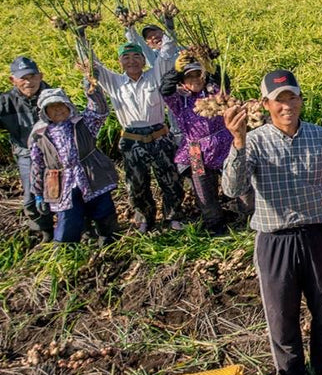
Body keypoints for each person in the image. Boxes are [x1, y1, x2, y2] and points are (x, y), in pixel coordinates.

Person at [221, 69, 322, 375]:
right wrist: (237, 142)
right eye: (279, 100)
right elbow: (232, 189)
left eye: (292, 97)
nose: (286, 106)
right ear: (266, 104)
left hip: (318, 235)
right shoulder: (253, 141)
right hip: (275, 240)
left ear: (301, 100)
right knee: (281, 314)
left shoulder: (318, 136)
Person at [80, 28, 185, 233]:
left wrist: (169, 26)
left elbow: (166, 53)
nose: (131, 61)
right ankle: (145, 217)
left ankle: (173, 217)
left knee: (170, 180)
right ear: (120, 62)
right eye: (126, 57)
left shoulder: (154, 76)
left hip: (159, 136)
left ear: (144, 60)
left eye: (136, 56)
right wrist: (81, 38)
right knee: (136, 184)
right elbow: (93, 66)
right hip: (132, 140)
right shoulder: (115, 83)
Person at [159, 53, 240, 234]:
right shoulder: (180, 100)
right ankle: (215, 224)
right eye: (189, 76)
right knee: (203, 190)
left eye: (198, 75)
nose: (195, 79)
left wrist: (213, 69)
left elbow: (224, 83)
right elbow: (165, 89)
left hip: (225, 143)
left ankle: (244, 215)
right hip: (195, 150)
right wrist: (175, 71)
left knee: (237, 178)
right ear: (183, 81)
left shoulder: (214, 93)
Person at [28, 87, 119, 246]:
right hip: (62, 182)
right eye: (52, 107)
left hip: (91, 174)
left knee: (103, 209)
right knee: (68, 216)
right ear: (45, 112)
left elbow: (100, 112)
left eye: (60, 105)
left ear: (68, 106)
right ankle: (65, 249)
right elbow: (37, 165)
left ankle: (109, 242)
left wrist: (93, 92)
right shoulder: (39, 134)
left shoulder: (82, 123)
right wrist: (38, 193)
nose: (57, 109)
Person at [0, 56, 54, 240]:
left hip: (56, 152)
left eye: (32, 76)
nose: (28, 82)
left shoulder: (54, 96)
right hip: (26, 154)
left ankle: (77, 230)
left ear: (40, 76)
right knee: (32, 196)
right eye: (22, 78)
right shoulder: (5, 102)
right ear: (12, 80)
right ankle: (44, 230)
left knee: (66, 192)